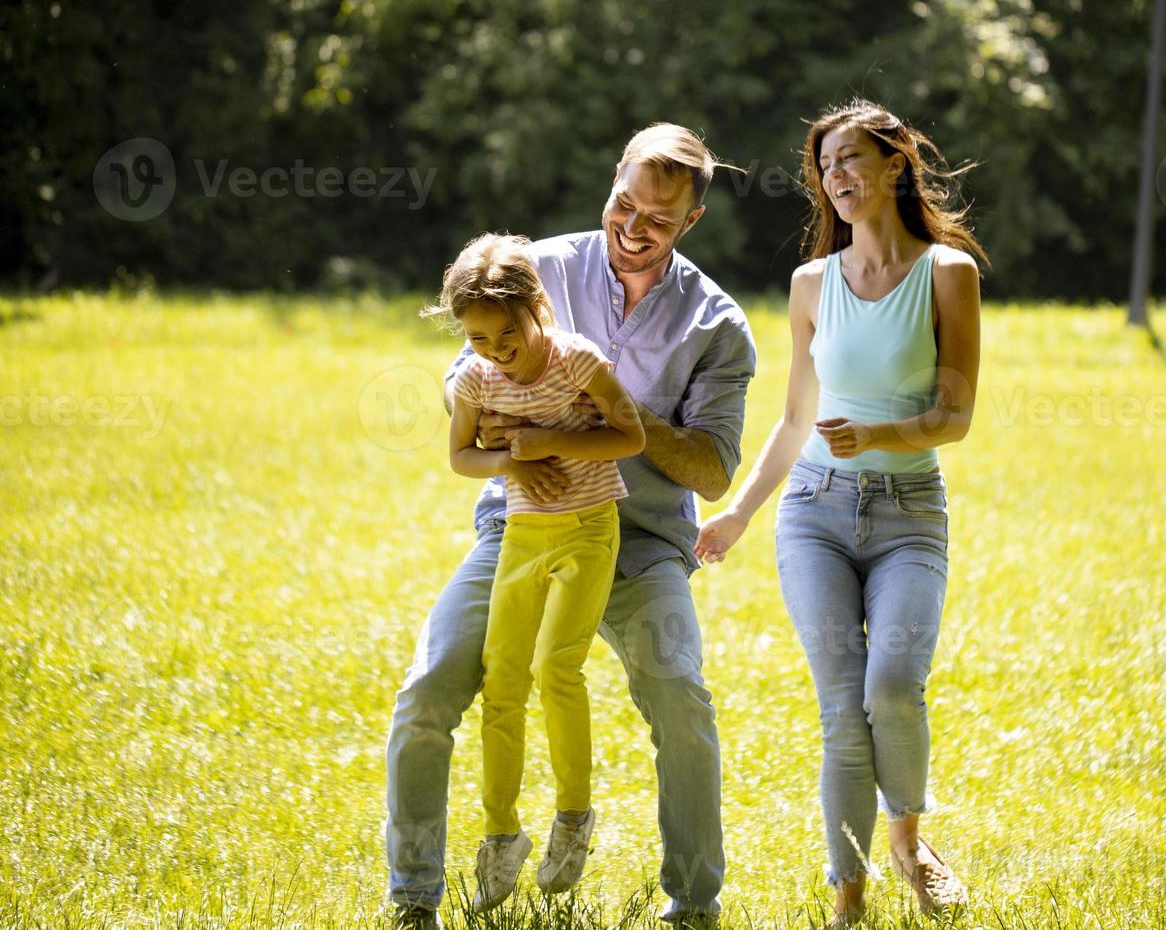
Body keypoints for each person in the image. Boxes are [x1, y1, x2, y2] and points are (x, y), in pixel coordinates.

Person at [386, 124, 756, 930]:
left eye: (658, 220)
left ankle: (693, 904)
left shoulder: (716, 326)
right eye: (625, 203)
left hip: (643, 544)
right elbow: (466, 390)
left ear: (691, 222)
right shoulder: (539, 267)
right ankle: (413, 897)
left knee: (680, 698)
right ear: (613, 179)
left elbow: (714, 471)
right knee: (429, 687)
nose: (632, 228)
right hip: (518, 527)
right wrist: (520, 426)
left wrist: (612, 409)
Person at [695, 99, 983, 926]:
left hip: (909, 513)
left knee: (892, 686)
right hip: (813, 514)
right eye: (826, 166)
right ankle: (847, 895)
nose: (838, 177)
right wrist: (741, 513)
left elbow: (956, 415)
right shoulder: (812, 283)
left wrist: (877, 433)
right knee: (841, 703)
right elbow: (793, 420)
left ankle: (909, 842)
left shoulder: (948, 274)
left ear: (896, 163)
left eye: (852, 159)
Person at [423, 232, 646, 910]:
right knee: (503, 679)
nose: (496, 351)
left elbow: (631, 435)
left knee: (557, 668)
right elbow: (461, 456)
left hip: (587, 529)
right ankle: (501, 836)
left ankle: (574, 820)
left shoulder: (577, 362)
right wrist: (511, 463)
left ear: (535, 306)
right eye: (479, 338)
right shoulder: (474, 376)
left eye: (506, 335)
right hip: (522, 532)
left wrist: (551, 440)